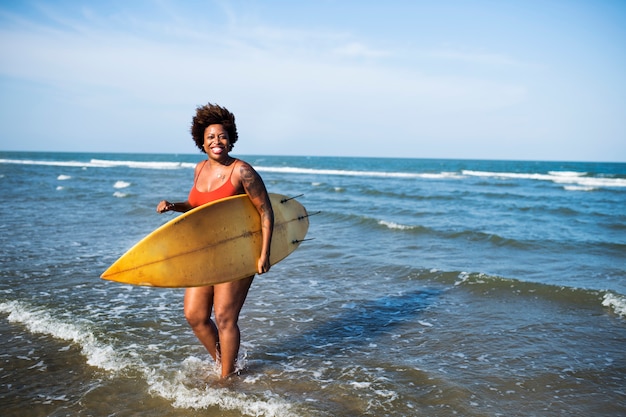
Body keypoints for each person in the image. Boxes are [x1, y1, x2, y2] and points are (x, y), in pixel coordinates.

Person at [156, 103, 274, 378]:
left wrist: (264, 254)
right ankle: (225, 364)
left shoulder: (242, 171)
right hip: (205, 250)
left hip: (238, 250)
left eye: (222, 136)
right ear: (202, 142)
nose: (216, 141)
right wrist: (174, 206)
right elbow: (200, 206)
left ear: (230, 139)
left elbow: (266, 210)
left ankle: (226, 379)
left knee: (224, 317)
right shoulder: (199, 169)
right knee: (195, 315)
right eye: (210, 137)